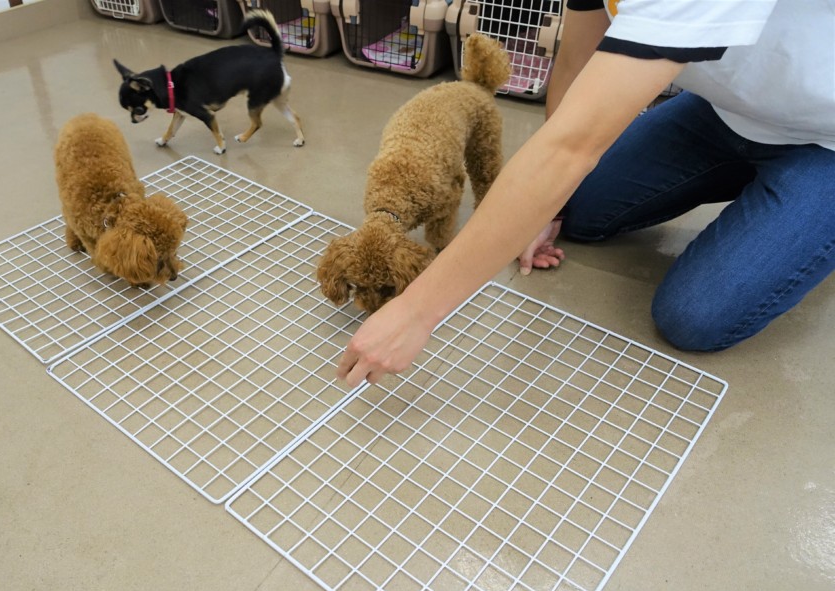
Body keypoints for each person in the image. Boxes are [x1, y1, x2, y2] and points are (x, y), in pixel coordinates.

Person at [337, 0, 835, 388]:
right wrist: (548, 204)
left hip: (824, 138)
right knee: (575, 208)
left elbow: (570, 148)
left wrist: (418, 311)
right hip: (723, 112)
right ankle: (761, 190)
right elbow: (576, 62)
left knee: (695, 318)